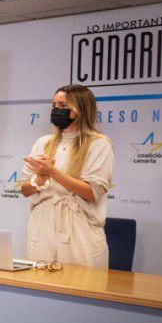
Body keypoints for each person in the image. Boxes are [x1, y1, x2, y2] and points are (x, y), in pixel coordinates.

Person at [21, 84, 114, 268]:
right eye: (54, 105)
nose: (57, 110)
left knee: (83, 286)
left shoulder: (99, 144)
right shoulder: (43, 142)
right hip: (42, 225)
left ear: (81, 108)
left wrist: (52, 172)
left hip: (79, 228)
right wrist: (38, 180)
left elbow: (92, 192)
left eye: (63, 106)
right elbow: (24, 190)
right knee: (38, 286)